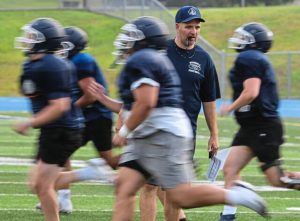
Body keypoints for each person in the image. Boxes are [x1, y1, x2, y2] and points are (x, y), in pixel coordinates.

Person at [88, 16, 269, 221]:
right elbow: (136, 104)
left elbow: (146, 104)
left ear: (145, 41)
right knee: (126, 186)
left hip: (164, 135)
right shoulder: (151, 60)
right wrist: (106, 102)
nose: (125, 39)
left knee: (180, 196)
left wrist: (124, 131)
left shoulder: (144, 60)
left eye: (131, 36)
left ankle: (236, 194)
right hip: (152, 133)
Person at [14, 17, 113, 221]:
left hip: (60, 130)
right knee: (37, 185)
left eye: (32, 36)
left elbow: (60, 105)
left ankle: (90, 173)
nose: (27, 39)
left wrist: (30, 122)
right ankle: (89, 173)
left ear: (45, 40)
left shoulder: (51, 65)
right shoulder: (41, 63)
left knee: (42, 184)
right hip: (57, 129)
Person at [139, 5, 220, 221]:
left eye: (196, 27)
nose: (193, 32)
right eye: (188, 27)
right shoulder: (160, 53)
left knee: (176, 192)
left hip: (185, 134)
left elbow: (209, 100)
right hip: (155, 129)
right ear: (177, 27)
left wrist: (214, 134)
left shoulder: (204, 59)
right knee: (149, 185)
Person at [218, 22, 300, 221]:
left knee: (277, 180)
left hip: (262, 125)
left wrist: (230, 107)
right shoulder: (252, 57)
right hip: (251, 126)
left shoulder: (249, 57)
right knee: (230, 168)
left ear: (254, 42)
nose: (238, 39)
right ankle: (227, 217)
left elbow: (251, 91)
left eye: (243, 37)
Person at [35, 26, 120, 213]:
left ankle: (143, 164)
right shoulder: (72, 60)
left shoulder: (81, 60)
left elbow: (91, 95)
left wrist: (68, 109)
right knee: (61, 154)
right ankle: (62, 198)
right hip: (89, 116)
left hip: (95, 117)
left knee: (110, 161)